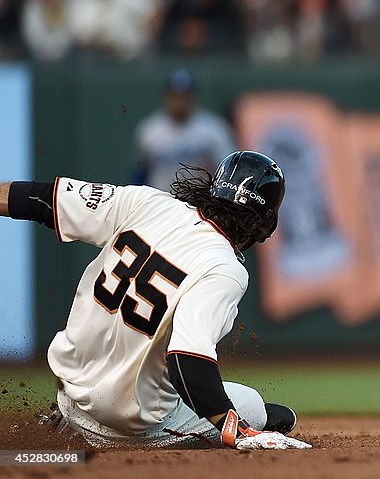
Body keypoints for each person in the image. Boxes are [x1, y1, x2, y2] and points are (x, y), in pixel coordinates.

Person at [0, 151, 310, 450]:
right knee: (259, 408)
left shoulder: (146, 202)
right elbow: (186, 360)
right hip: (126, 429)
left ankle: (65, 420)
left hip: (68, 396)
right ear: (263, 225)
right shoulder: (225, 268)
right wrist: (237, 429)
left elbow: (41, 199)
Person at [135, 69, 236, 192]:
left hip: (199, 201)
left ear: (194, 97)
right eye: (175, 96)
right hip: (160, 201)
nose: (180, 102)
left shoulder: (214, 130)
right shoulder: (150, 130)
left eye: (184, 96)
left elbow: (229, 173)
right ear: (166, 97)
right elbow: (141, 173)